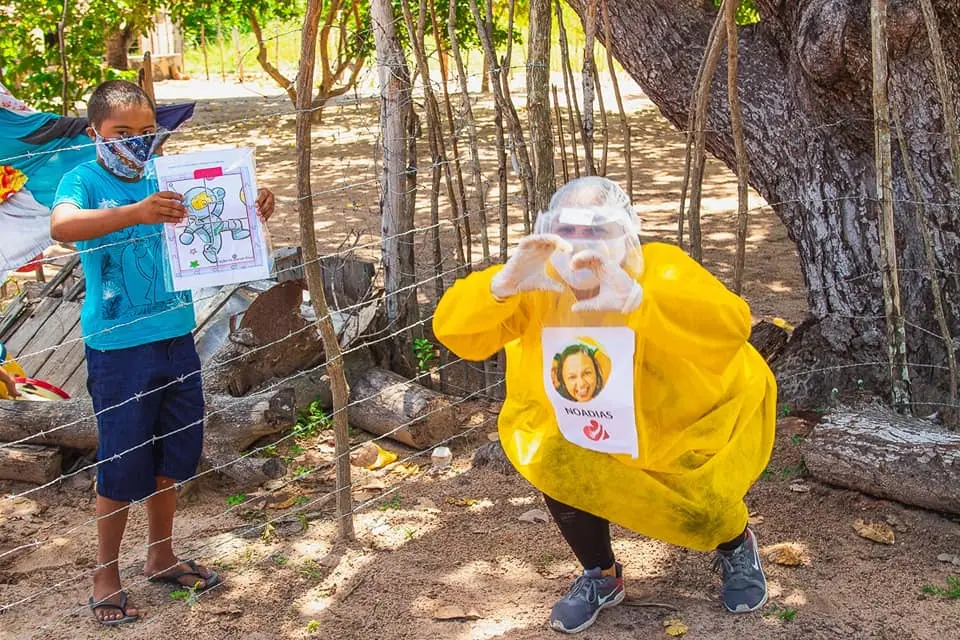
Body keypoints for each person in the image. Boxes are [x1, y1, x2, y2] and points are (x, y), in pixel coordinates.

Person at [433, 176, 776, 634]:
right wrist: (501, 287)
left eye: (596, 229)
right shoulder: (538, 280)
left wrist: (640, 301)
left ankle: (736, 546)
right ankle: (601, 575)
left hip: (677, 417)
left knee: (706, 501)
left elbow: (731, 324)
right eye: (569, 230)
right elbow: (458, 334)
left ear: (624, 231)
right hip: (585, 421)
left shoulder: (660, 267)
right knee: (560, 466)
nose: (581, 243)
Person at [49, 80, 276, 626]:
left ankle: (161, 554)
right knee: (121, 461)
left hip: (176, 335)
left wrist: (251, 206)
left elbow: (210, 217)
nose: (135, 142)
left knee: (173, 454)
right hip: (118, 347)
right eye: (121, 133)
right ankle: (105, 574)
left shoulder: (163, 174)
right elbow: (62, 226)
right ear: (94, 134)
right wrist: (135, 213)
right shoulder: (83, 179)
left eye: (146, 132)